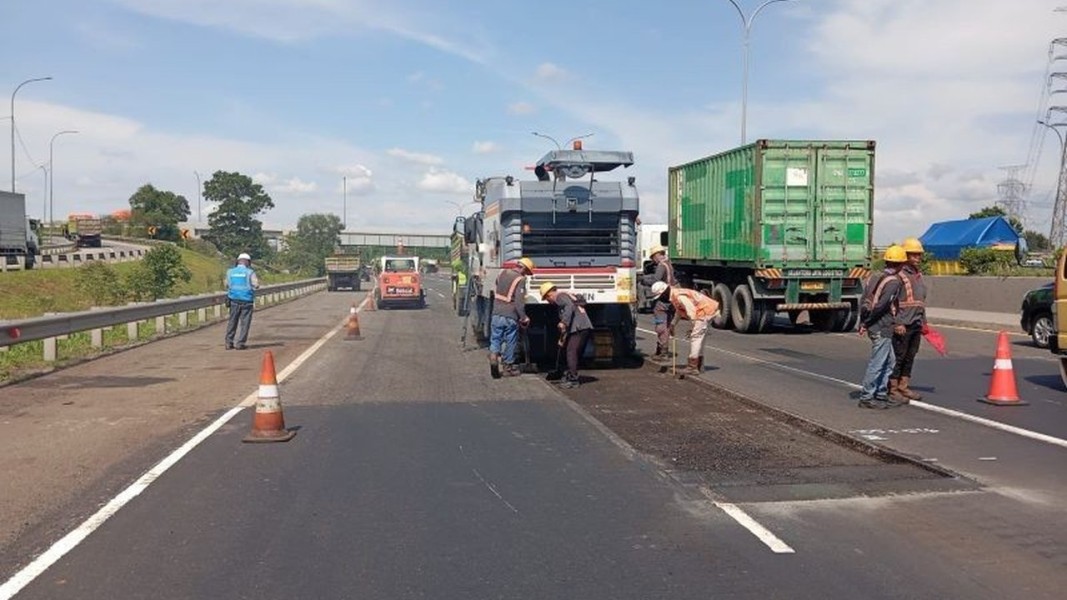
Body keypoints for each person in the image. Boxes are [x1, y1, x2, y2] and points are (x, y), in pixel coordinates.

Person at [857, 246, 907, 409]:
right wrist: (868, 322)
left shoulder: (874, 277)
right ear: (900, 265)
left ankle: (880, 393)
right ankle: (867, 396)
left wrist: (863, 321)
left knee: (890, 361)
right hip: (882, 326)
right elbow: (882, 305)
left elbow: (864, 300)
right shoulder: (893, 282)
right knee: (878, 362)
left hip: (875, 324)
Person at [890, 237, 928, 403]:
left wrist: (924, 322)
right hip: (902, 324)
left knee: (910, 356)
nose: (917, 258)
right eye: (914, 255)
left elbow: (920, 302)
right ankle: (892, 388)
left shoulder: (918, 276)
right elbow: (891, 302)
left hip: (915, 323)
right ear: (905, 256)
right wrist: (897, 322)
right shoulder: (899, 276)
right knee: (898, 357)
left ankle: (903, 386)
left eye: (919, 255)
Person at [653, 281, 719, 376]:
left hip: (703, 311)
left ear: (665, 291)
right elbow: (680, 311)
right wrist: (672, 324)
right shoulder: (675, 294)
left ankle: (692, 367)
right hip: (706, 310)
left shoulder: (679, 296)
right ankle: (699, 365)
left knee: (696, 338)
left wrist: (693, 326)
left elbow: (691, 310)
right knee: (700, 338)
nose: (662, 298)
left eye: (661, 295)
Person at [539, 282, 594, 389]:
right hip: (582, 327)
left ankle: (573, 379)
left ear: (549, 294)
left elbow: (569, 308)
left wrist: (563, 322)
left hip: (579, 328)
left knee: (571, 351)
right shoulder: (566, 297)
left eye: (546, 299)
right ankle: (568, 373)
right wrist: (562, 338)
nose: (548, 302)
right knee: (570, 351)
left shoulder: (560, 297)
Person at [489, 257, 534, 377]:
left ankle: (494, 356)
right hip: (510, 315)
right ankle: (508, 367)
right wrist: (524, 317)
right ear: (523, 268)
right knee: (510, 340)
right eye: (527, 272)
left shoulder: (502, 273)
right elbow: (519, 302)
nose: (526, 275)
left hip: (496, 313)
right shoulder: (520, 279)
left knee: (496, 337)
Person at [640, 245, 678, 361]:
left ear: (657, 255)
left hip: (662, 299)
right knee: (666, 325)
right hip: (671, 298)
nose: (653, 260)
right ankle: (661, 350)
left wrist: (643, 279)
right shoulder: (669, 264)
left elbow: (656, 280)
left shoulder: (661, 266)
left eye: (653, 257)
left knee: (660, 325)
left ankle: (663, 352)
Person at [225, 252, 260, 350]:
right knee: (245, 323)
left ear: (238, 261)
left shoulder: (230, 272)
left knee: (232, 321)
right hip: (247, 300)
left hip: (233, 300)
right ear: (248, 262)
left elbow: (227, 285)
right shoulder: (250, 272)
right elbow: (256, 285)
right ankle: (240, 343)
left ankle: (229, 342)